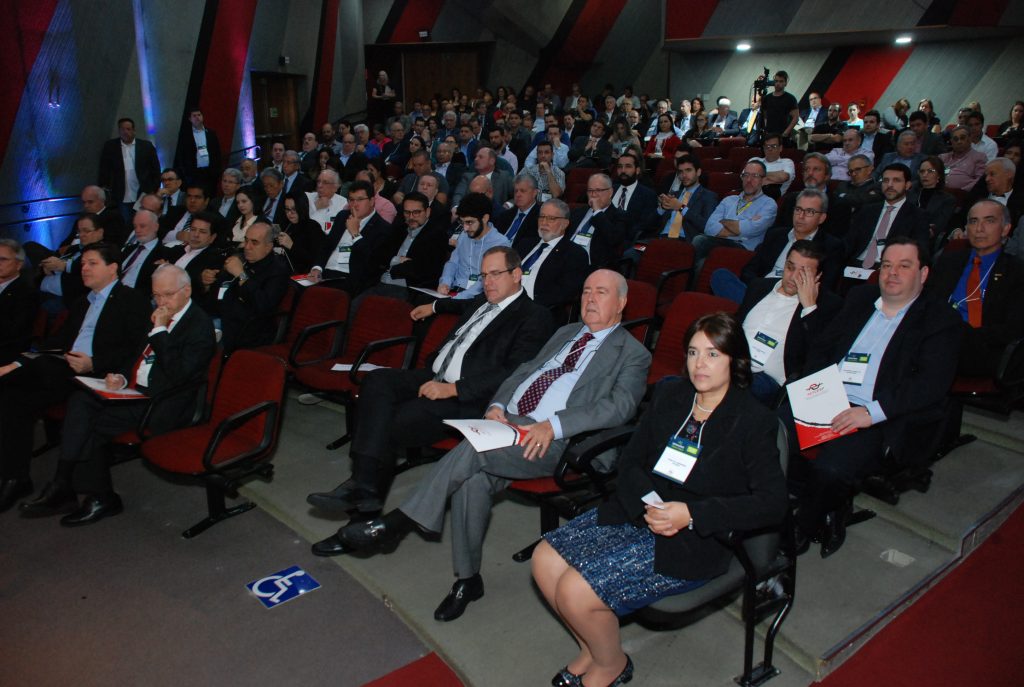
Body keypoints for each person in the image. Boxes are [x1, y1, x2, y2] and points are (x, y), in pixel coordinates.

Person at [315, 270, 651, 625]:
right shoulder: (565, 333)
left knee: (474, 449)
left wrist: (552, 425)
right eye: (585, 291)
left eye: (601, 292)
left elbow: (619, 407)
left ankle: (399, 522)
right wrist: (498, 405)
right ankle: (468, 580)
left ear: (621, 302)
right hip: (510, 423)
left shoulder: (633, 353)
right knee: (472, 481)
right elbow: (523, 371)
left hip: (557, 439)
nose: (590, 299)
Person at [533, 312, 787, 687]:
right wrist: (647, 503)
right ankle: (595, 649)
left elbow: (773, 503)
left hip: (693, 536)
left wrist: (691, 514)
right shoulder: (671, 395)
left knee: (574, 590)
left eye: (713, 354)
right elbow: (631, 461)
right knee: (544, 560)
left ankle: (610, 665)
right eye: (693, 352)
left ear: (735, 360)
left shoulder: (753, 421)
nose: (700, 364)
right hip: (639, 510)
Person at [306, 246, 554, 517]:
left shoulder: (534, 316)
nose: (488, 282)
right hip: (432, 376)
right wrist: (434, 306)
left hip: (468, 397)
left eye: (495, 274)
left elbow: (514, 372)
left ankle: (362, 499)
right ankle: (363, 486)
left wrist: (452, 389)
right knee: (376, 381)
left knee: (391, 419)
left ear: (516, 274)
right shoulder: (482, 302)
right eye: (484, 275)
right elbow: (456, 304)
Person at [790, 237, 962, 557]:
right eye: (886, 265)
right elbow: (823, 346)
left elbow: (929, 384)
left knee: (831, 469)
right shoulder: (861, 297)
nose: (892, 273)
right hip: (828, 394)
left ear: (923, 273)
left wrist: (871, 412)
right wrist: (816, 388)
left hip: (877, 413)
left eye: (904, 266)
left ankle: (805, 524)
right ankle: (826, 501)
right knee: (769, 433)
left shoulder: (940, 319)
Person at [20, 265, 216, 525]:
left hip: (163, 402)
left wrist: (159, 331)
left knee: (87, 421)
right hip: (134, 391)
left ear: (187, 290)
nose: (161, 302)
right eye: (156, 295)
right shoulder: (159, 313)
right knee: (80, 400)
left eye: (168, 295)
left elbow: (179, 374)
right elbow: (136, 355)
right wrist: (121, 377)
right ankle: (72, 487)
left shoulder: (199, 325)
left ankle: (82, 491)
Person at [0, 242, 151, 512]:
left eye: (92, 263)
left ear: (113, 268)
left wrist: (95, 362)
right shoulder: (82, 302)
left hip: (98, 373)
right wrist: (20, 361)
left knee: (21, 385)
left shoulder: (130, 300)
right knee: (13, 396)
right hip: (65, 369)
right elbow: (58, 341)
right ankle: (16, 477)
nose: (84, 269)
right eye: (82, 264)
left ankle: (55, 485)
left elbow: (135, 349)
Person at [737, 241, 842, 403]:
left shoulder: (827, 306)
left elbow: (819, 355)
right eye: (790, 267)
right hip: (732, 363)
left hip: (767, 380)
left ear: (818, 276)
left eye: (803, 273)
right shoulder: (759, 287)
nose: (793, 277)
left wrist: (809, 307)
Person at [929, 200, 1024, 378]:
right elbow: (929, 304)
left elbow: (1012, 329)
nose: (979, 228)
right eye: (973, 221)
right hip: (936, 339)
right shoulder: (948, 261)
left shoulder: (1016, 272)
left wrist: (960, 333)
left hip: (980, 349)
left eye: (989, 221)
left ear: (1005, 229)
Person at [212, 220, 291, 353]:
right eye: (246, 240)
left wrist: (241, 275)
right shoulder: (242, 259)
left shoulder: (278, 270)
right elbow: (221, 289)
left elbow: (262, 305)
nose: (247, 247)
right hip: (224, 316)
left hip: (250, 330)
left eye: (254, 242)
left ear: (268, 247)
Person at [98, 117, 161, 219]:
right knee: (125, 222)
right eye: (122, 129)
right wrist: (104, 186)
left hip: (143, 193)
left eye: (128, 129)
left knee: (142, 219)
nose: (125, 132)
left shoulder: (146, 146)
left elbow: (155, 169)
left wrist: (153, 189)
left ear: (134, 130)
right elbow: (104, 169)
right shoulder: (111, 146)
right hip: (120, 194)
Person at [0, 239, 39, 365]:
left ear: (18, 264)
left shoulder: (26, 293)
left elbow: (15, 333)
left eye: (3, 259)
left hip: (7, 352)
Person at [909, 156, 956, 244]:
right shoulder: (910, 193)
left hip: (924, 240)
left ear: (939, 175)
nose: (925, 175)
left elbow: (937, 227)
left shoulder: (947, 200)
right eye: (922, 171)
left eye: (930, 171)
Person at [276, 193, 324, 275]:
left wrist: (291, 246)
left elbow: (314, 259)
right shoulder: (285, 225)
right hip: (281, 270)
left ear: (301, 208)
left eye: (294, 209)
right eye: (287, 209)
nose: (289, 213)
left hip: (303, 274)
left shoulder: (312, 227)